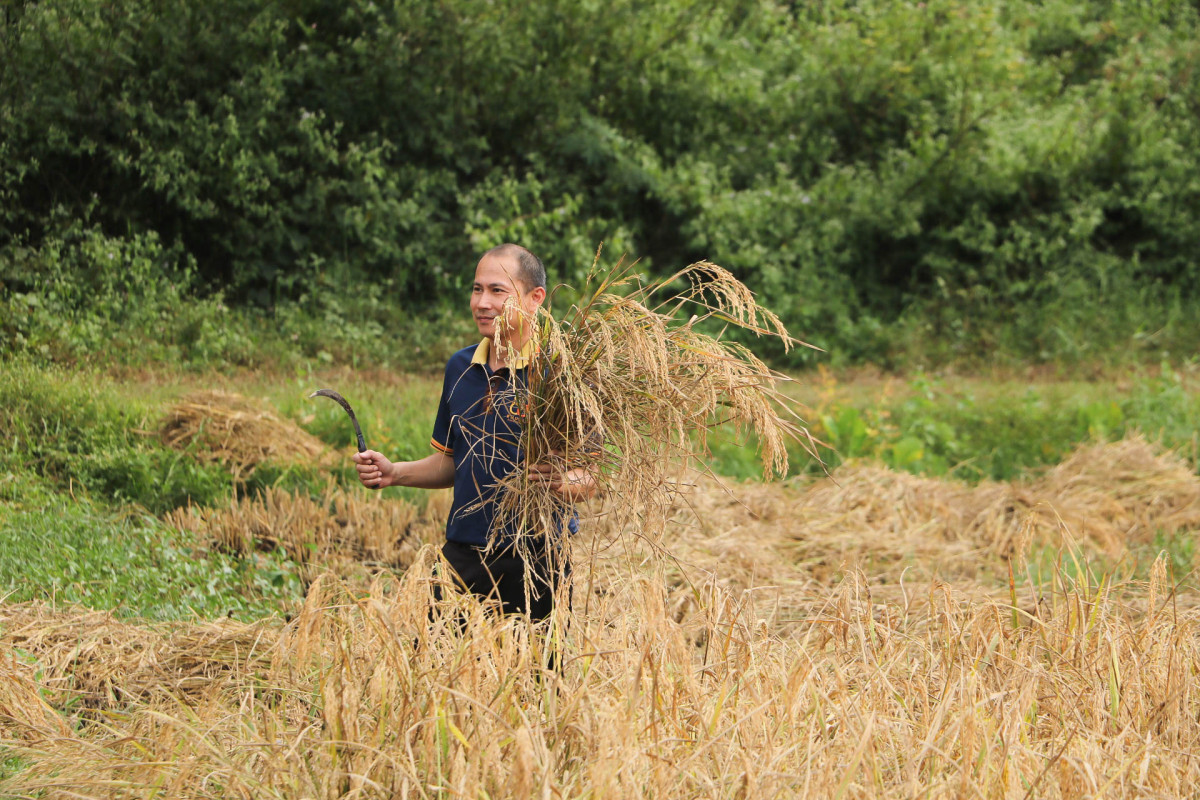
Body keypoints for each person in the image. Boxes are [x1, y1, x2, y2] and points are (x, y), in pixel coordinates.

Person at [352, 244, 596, 620]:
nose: (482, 302)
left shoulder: (563, 373)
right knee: (439, 657)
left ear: (535, 298)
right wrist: (394, 473)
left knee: (535, 661)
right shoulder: (460, 367)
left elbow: (592, 477)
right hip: (463, 553)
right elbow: (452, 461)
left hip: (537, 559)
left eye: (498, 291)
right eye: (477, 289)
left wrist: (564, 481)